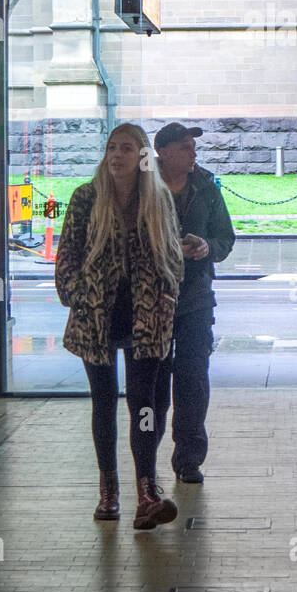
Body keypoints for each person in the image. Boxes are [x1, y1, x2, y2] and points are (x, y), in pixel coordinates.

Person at [55, 123, 184, 528]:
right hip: (97, 317)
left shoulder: (157, 198)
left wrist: (166, 297)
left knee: (143, 404)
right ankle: (108, 491)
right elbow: (66, 258)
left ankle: (147, 492)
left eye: (126, 149)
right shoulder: (87, 198)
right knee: (104, 401)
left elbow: (172, 256)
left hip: (146, 316)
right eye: (112, 148)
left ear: (142, 156)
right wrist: (79, 294)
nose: (116, 155)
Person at [153, 122, 236, 484]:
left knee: (192, 378)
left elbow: (225, 237)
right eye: (186, 147)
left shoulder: (205, 185)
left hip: (196, 296)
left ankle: (188, 458)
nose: (193, 153)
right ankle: (145, 461)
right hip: (151, 297)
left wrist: (207, 248)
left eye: (193, 147)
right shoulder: (144, 188)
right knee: (152, 380)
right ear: (163, 152)